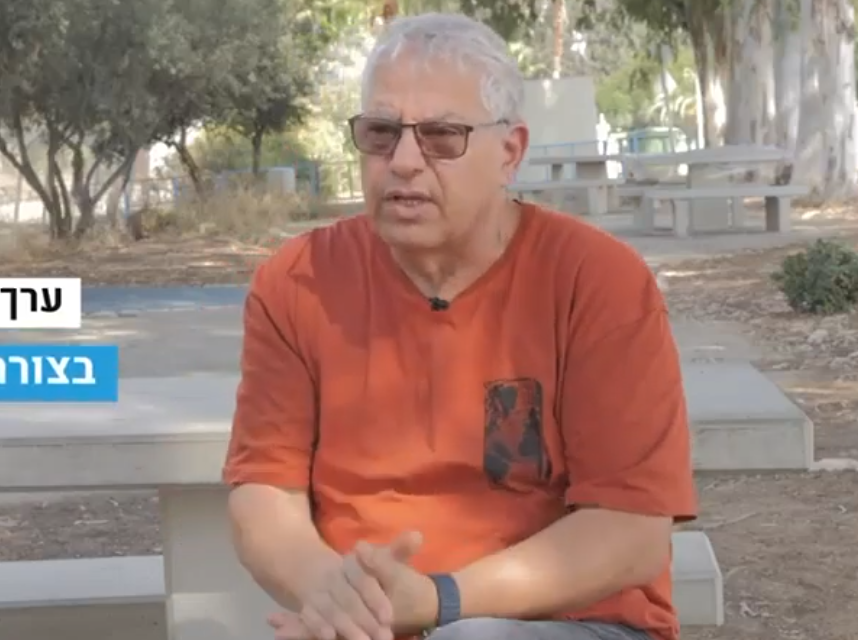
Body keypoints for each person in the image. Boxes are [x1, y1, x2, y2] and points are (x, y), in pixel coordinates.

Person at [222, 11, 697, 640]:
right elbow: (264, 495)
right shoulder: (296, 282)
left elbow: (633, 530)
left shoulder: (596, 281)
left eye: (442, 136)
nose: (404, 162)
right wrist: (336, 599)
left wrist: (440, 602)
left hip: (573, 623)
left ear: (510, 153)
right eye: (381, 133)